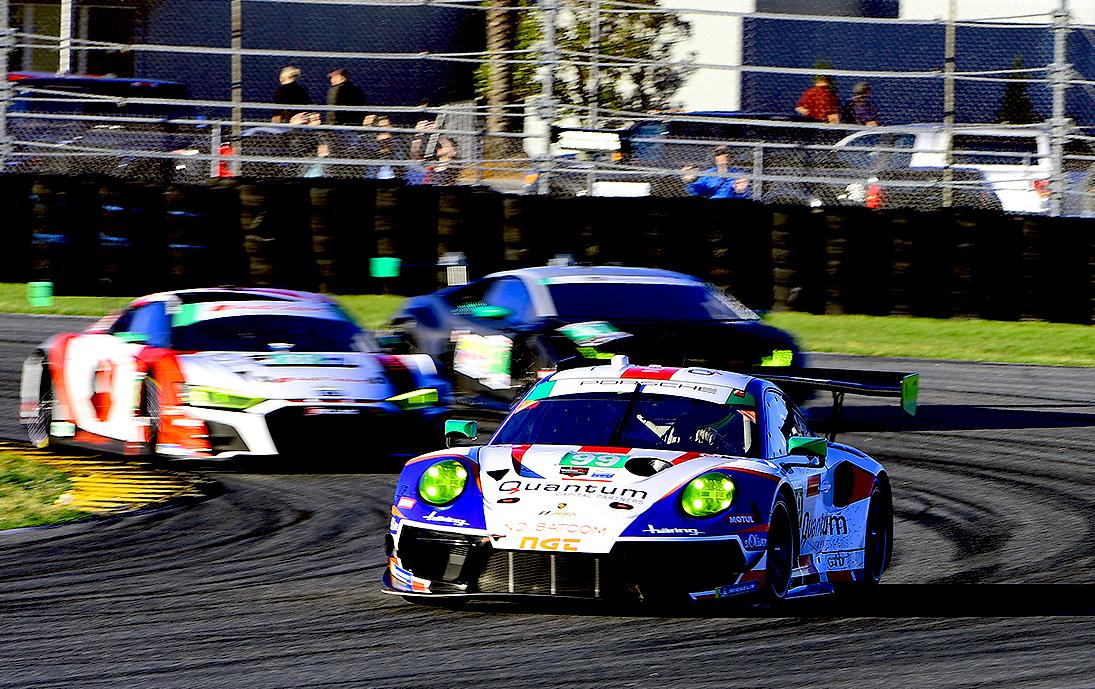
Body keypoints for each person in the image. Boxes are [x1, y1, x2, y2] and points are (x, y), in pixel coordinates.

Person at [681, 145, 751, 199]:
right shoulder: (707, 174)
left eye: (728, 153)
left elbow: (746, 194)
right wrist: (690, 182)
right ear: (715, 158)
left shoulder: (739, 175)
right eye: (720, 153)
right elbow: (696, 192)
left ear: (732, 157)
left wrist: (741, 192)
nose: (725, 155)